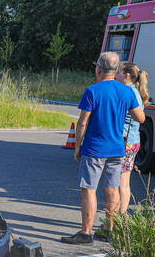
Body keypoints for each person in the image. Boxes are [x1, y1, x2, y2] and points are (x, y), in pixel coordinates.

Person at [61, 51, 145, 245]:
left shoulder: (93, 91)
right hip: (117, 148)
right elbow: (140, 118)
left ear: (98, 69)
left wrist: (77, 147)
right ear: (116, 71)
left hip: (95, 148)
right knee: (112, 189)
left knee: (89, 189)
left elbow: (82, 123)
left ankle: (86, 232)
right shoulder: (126, 91)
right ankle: (108, 229)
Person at [114, 62, 149, 216]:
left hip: (125, 141)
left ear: (127, 75)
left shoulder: (127, 92)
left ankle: (117, 217)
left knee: (119, 182)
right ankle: (121, 214)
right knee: (124, 181)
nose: (116, 75)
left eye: (118, 72)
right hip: (132, 141)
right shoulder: (135, 91)